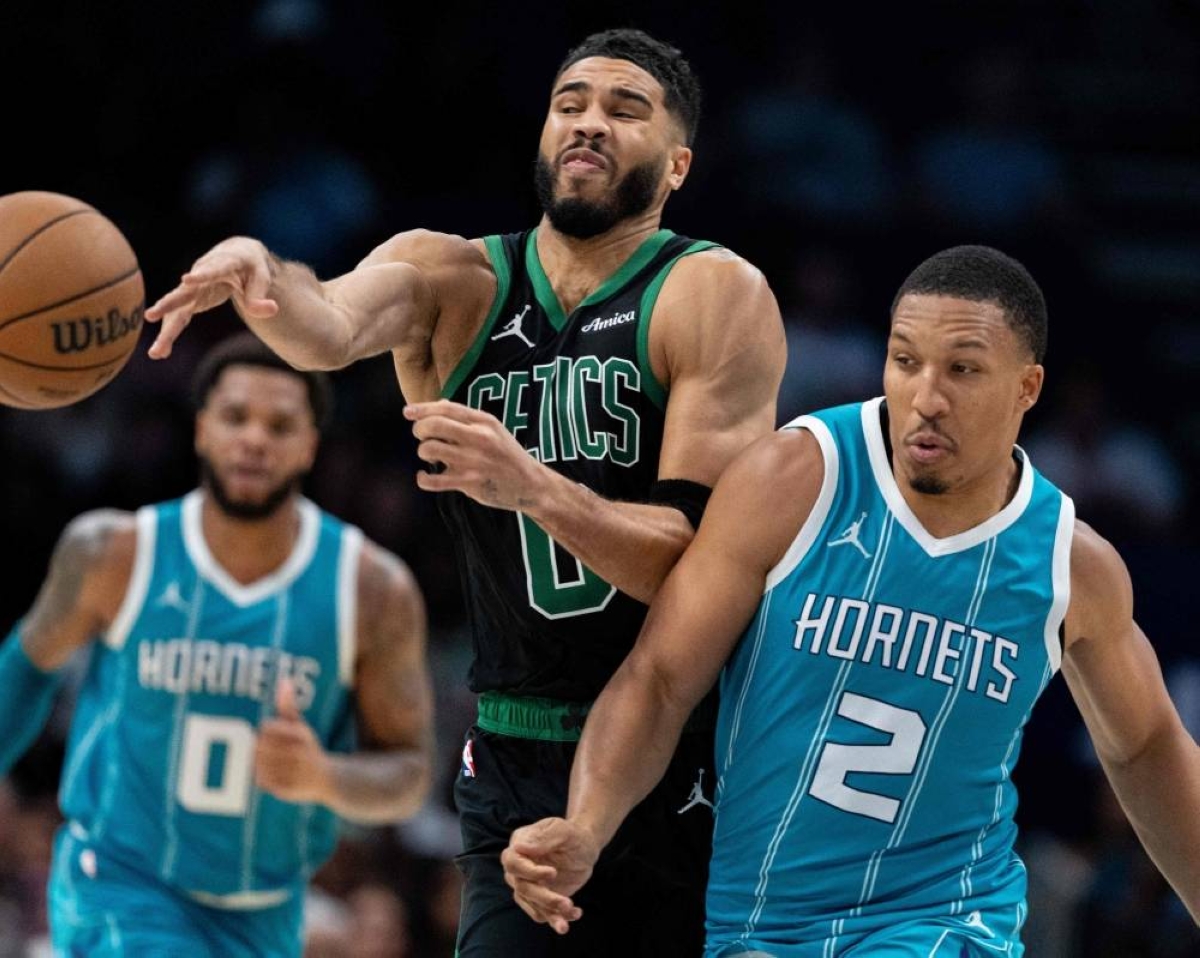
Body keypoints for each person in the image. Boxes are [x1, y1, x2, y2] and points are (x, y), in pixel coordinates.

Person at [143, 26, 785, 956]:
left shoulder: (709, 293)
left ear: (677, 164)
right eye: (570, 105)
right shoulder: (455, 278)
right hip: (512, 745)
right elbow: (326, 322)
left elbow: (696, 569)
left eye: (623, 110)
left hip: (686, 745)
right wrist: (260, 267)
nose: (589, 125)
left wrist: (533, 487)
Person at [501, 245, 1200, 956]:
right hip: (758, 920)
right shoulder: (798, 477)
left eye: (962, 370)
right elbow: (661, 678)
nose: (927, 398)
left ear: (1027, 387)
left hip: (948, 917)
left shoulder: (1068, 563)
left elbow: (1145, 745)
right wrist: (584, 826)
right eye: (905, 361)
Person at [0, 333, 434, 957]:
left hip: (264, 910)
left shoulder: (371, 590)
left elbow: (410, 774)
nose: (254, 438)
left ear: (311, 444)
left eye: (280, 424)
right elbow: (23, 674)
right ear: (202, 429)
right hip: (120, 884)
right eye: (235, 417)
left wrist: (324, 776)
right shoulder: (114, 553)